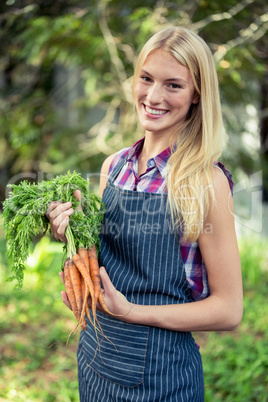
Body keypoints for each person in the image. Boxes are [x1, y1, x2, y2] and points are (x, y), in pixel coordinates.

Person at [47, 26, 243, 401]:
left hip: (162, 375)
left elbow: (228, 309)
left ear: (197, 95)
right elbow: (107, 263)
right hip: (95, 359)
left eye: (173, 85)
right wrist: (72, 233)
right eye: (146, 78)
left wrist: (131, 312)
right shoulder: (114, 167)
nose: (153, 96)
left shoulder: (205, 181)